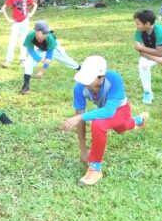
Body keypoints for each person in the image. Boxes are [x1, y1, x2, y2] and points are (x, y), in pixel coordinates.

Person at [60, 56, 149, 186]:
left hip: (121, 110)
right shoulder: (79, 87)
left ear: (101, 77)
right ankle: (138, 120)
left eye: (89, 78)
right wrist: (83, 150)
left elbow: (108, 112)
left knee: (99, 123)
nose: (85, 82)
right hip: (107, 111)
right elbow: (80, 118)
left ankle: (95, 169)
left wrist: (79, 117)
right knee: (121, 128)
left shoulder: (114, 79)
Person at [20, 20, 81, 95]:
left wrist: (43, 70)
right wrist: (39, 58)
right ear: (37, 32)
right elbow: (30, 49)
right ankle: (26, 86)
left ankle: (81, 69)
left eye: (46, 32)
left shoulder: (50, 37)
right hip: (42, 49)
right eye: (43, 33)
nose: (46, 34)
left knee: (67, 61)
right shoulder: (30, 36)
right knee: (29, 61)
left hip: (54, 49)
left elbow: (49, 55)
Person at [1, 0, 38, 68]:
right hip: (16, 23)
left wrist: (31, 13)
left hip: (25, 22)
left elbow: (35, 4)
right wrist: (9, 20)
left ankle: (23, 60)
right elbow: (3, 8)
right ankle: (8, 60)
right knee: (13, 41)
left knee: (24, 42)